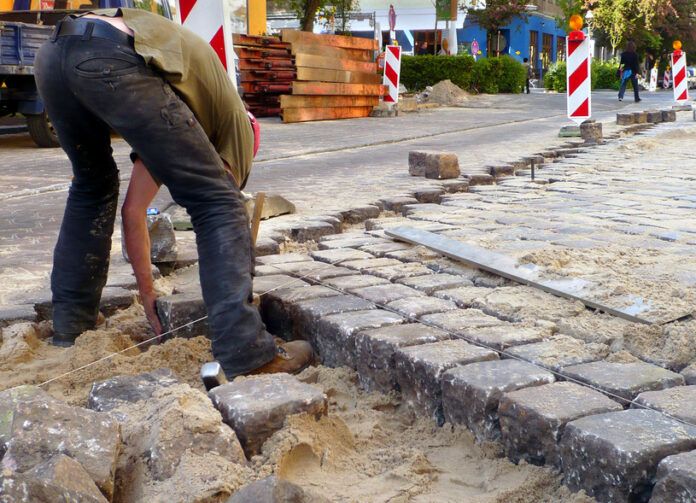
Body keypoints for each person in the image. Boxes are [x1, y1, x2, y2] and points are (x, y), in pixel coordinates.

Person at [34, 9, 314, 378]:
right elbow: (221, 198)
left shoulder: (186, 100)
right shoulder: (237, 127)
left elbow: (133, 211)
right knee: (217, 201)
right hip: (110, 54)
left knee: (93, 185)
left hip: (54, 55)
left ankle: (71, 326)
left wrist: (147, 292)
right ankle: (247, 353)